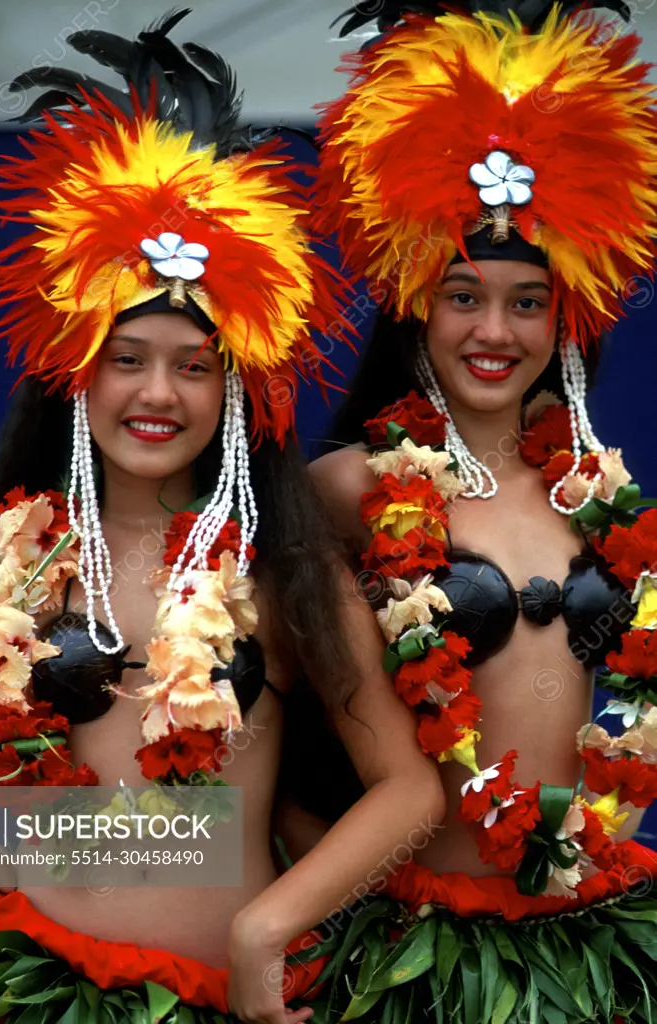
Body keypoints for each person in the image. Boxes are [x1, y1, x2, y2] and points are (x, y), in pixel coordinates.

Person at [0, 12, 445, 1024]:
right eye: (127, 358)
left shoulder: (277, 570)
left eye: (193, 365)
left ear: (236, 390)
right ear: (77, 375)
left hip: (218, 1000)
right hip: (24, 986)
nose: (156, 392)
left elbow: (410, 791)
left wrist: (270, 926)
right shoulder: (18, 556)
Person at [295, 0, 657, 1018]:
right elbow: (254, 724)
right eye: (463, 294)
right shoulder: (344, 493)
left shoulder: (603, 498)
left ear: (566, 314)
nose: (494, 329)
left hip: (597, 938)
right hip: (412, 952)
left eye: (526, 300)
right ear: (417, 299)